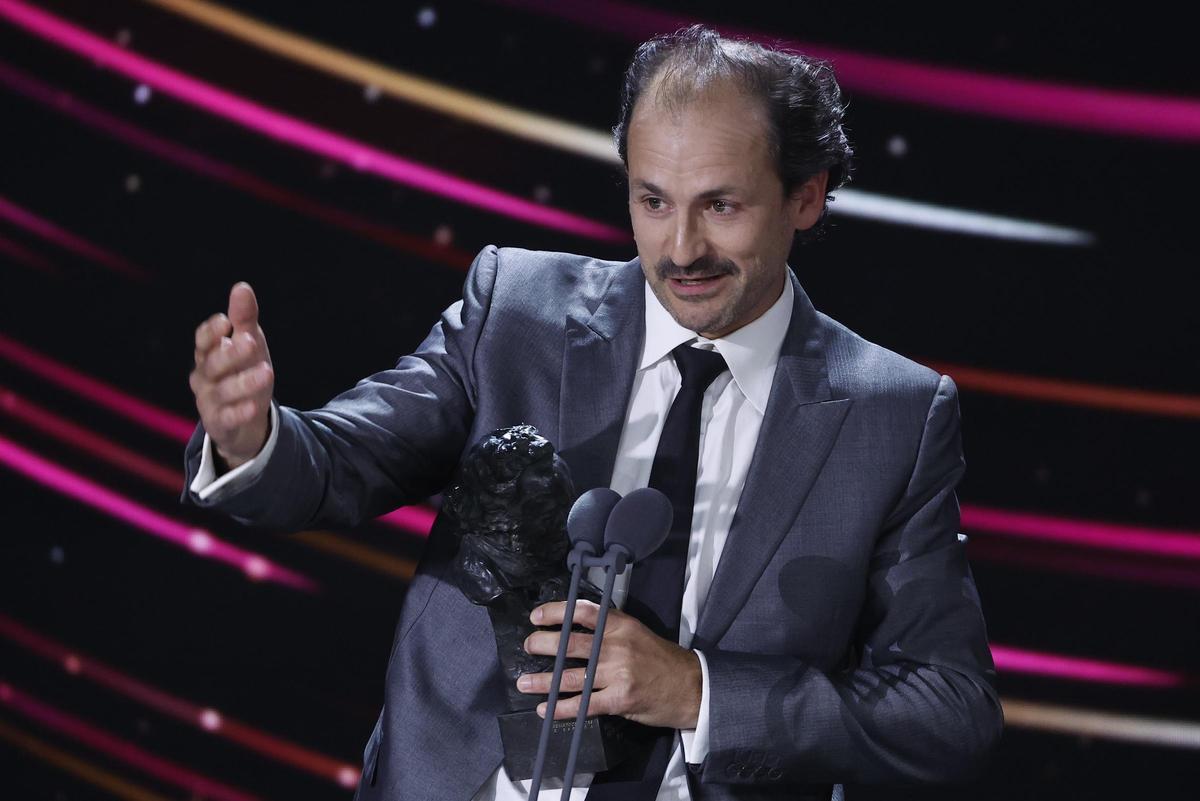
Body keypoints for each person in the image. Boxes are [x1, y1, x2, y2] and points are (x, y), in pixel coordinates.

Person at [183, 25, 1002, 801]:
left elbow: (949, 709)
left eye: (721, 206)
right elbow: (339, 461)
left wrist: (697, 690)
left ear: (807, 197)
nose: (680, 249)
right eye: (653, 201)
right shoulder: (517, 313)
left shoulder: (892, 415)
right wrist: (253, 437)